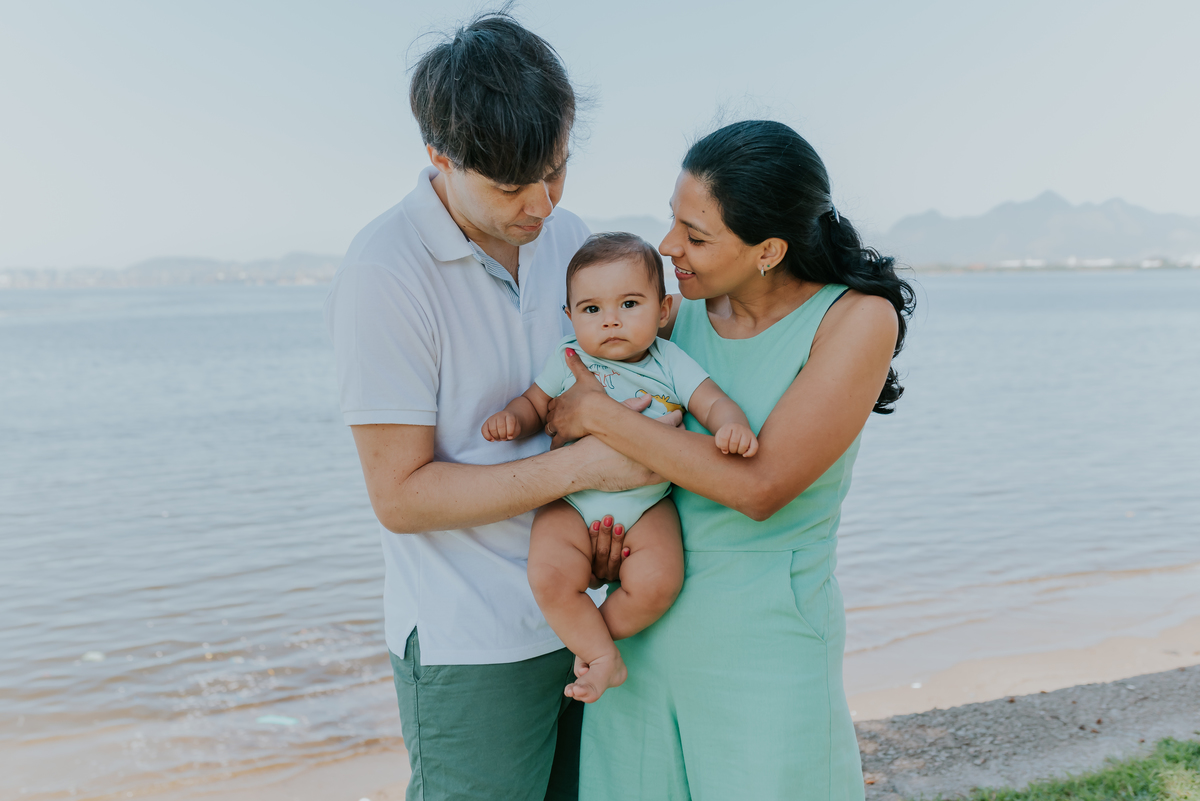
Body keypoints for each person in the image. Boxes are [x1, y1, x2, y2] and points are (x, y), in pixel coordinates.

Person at [324, 12, 648, 801]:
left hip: (582, 612)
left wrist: (606, 523)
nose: (541, 203)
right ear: (439, 155)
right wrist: (585, 462)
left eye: (557, 169)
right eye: (511, 186)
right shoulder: (384, 269)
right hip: (469, 640)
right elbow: (399, 496)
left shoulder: (573, 240)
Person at [545, 120, 915, 800]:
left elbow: (760, 485)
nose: (668, 246)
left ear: (768, 248)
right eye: (672, 220)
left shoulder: (856, 319)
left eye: (696, 233)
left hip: (767, 648)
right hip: (640, 632)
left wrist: (597, 416)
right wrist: (598, 541)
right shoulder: (668, 317)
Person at [482, 232, 758, 704]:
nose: (610, 320)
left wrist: (731, 425)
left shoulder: (669, 360)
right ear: (570, 318)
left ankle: (596, 643)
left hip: (647, 505)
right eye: (591, 310)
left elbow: (710, 400)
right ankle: (601, 654)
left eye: (629, 304)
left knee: (658, 584)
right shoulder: (569, 357)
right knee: (549, 575)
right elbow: (536, 401)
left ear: (664, 310)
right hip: (570, 502)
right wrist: (515, 417)